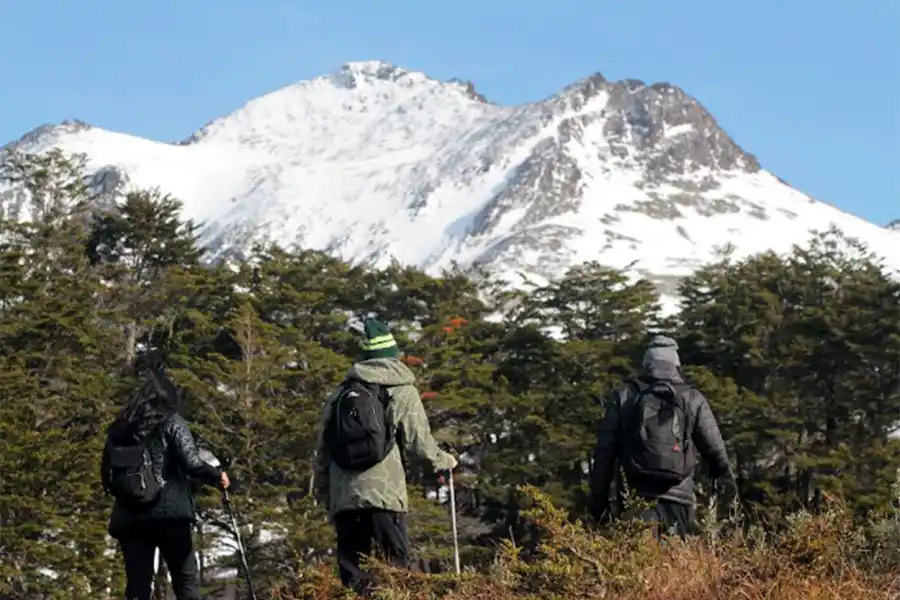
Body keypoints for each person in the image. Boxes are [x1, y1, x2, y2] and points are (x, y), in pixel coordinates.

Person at [314, 317, 457, 591]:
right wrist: (445, 461)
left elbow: (323, 452)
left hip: (345, 499)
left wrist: (328, 497)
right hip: (384, 497)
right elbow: (419, 442)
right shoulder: (401, 390)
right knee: (396, 572)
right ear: (393, 355)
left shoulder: (340, 394)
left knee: (353, 578)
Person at [101, 370, 230, 600]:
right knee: (185, 581)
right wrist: (217, 475)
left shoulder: (119, 430)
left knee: (138, 587)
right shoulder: (172, 422)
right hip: (170, 513)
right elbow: (192, 463)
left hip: (130, 519)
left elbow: (107, 475)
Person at [589, 335, 734, 538]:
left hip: (635, 499)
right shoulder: (692, 398)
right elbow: (717, 453)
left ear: (646, 364)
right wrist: (728, 499)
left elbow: (604, 453)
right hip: (679, 499)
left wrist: (599, 506)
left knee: (638, 565)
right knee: (675, 565)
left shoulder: (625, 396)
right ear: (676, 365)